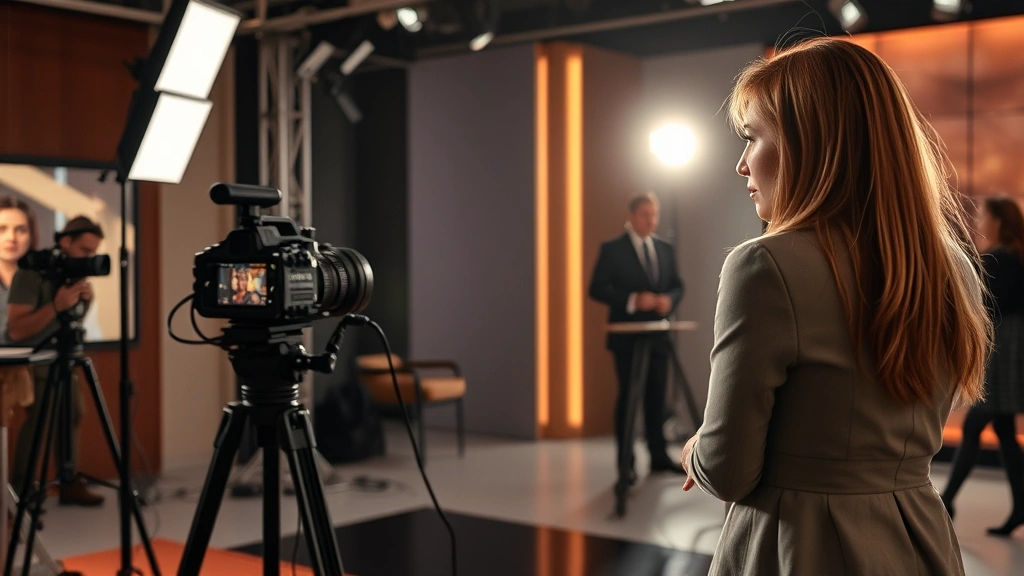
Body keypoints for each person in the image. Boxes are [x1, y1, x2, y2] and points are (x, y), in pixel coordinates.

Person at [680, 37, 991, 574]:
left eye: (752, 138)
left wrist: (693, 452)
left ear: (811, 145)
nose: (740, 165)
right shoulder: (952, 268)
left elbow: (728, 469)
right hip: (919, 540)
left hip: (798, 548)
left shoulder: (765, 267)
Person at [8, 216, 106, 506]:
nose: (89, 259)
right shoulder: (31, 274)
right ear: (65, 243)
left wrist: (82, 303)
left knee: (73, 412)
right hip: (33, 359)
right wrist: (56, 305)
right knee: (39, 421)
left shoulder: (74, 279)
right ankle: (20, 493)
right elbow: (16, 330)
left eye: (93, 253)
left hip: (63, 358)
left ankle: (68, 481)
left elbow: (67, 323)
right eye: (85, 251)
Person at [941, 197, 1024, 536]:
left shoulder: (1000, 260)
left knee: (977, 422)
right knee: (1003, 429)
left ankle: (946, 500)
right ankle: (1020, 504)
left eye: (984, 215)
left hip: (1003, 348)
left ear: (999, 222)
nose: (980, 220)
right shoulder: (1015, 258)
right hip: (1013, 347)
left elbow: (983, 305)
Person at [588, 192, 685, 476]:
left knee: (656, 398)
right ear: (630, 216)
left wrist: (669, 299)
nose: (651, 220)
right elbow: (596, 288)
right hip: (626, 338)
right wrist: (632, 299)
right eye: (645, 214)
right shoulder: (612, 249)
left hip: (658, 336)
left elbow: (678, 285)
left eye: (654, 214)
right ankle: (625, 463)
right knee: (629, 398)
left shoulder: (665, 250)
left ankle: (658, 456)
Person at [0, 196, 38, 345]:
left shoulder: (44, 280)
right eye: (2, 229)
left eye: (21, 230)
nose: (11, 238)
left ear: (31, 234)